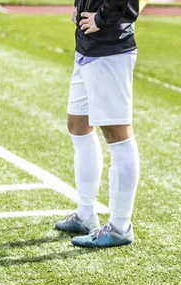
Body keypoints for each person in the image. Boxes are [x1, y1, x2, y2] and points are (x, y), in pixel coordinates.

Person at [55, 0, 142, 248]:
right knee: (77, 125)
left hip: (110, 49)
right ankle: (85, 214)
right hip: (86, 47)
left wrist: (102, 18)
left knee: (117, 134)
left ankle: (120, 226)